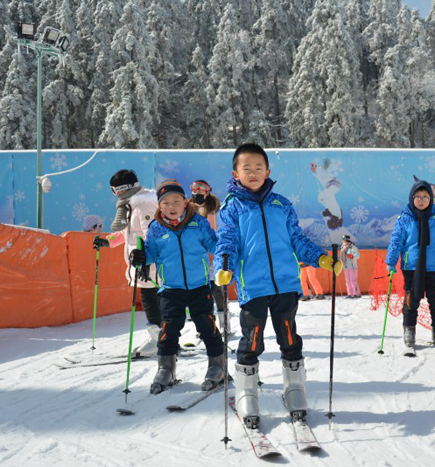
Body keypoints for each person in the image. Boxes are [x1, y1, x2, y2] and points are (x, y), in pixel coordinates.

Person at [213, 143, 343, 429]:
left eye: (259, 167)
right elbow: (227, 243)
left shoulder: (281, 204)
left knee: (289, 336)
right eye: (247, 168)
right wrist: (223, 269)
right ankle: (247, 391)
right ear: (235, 173)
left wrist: (321, 259)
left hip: (285, 285)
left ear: (268, 171)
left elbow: (298, 240)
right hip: (254, 289)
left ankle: (295, 388)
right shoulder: (232, 208)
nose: (253, 173)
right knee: (252, 340)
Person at [131, 178, 225, 394]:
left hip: (199, 286)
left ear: (185, 202)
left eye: (176, 201)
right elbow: (151, 253)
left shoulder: (198, 223)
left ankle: (217, 366)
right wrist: (139, 257)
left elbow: (214, 244)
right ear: (159, 206)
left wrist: (226, 248)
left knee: (207, 326)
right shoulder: (156, 228)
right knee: (169, 329)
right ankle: (166, 368)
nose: (171, 207)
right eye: (165, 203)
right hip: (171, 288)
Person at [92, 170, 161, 358]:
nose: (114, 195)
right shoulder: (134, 205)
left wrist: (147, 258)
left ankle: (159, 341)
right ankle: (162, 337)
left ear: (121, 189)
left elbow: (152, 234)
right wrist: (108, 241)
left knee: (152, 300)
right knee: (152, 299)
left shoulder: (144, 205)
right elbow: (127, 233)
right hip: (143, 263)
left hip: (150, 264)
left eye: (114, 191)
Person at [385, 179, 435, 351]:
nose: (422, 200)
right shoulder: (405, 219)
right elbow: (396, 241)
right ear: (412, 198)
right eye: (418, 196)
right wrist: (391, 261)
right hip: (411, 268)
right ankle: (409, 331)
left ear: (431, 199)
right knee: (411, 301)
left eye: (425, 197)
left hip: (432, 267)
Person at [189, 179, 230, 335]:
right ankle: (205, 326)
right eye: (195, 188)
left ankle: (224, 324)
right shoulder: (188, 209)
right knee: (201, 294)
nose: (198, 191)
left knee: (217, 290)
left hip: (215, 255)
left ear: (208, 190)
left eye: (202, 188)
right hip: (198, 257)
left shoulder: (216, 209)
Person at [340, 234, 361, 298]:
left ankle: (356, 294)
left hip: (352, 267)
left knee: (353, 280)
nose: (343, 242)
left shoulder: (353, 247)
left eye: (344, 240)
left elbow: (358, 255)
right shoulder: (343, 248)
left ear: (347, 241)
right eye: (343, 240)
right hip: (346, 267)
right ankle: (350, 294)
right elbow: (341, 257)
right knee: (348, 281)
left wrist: (352, 256)